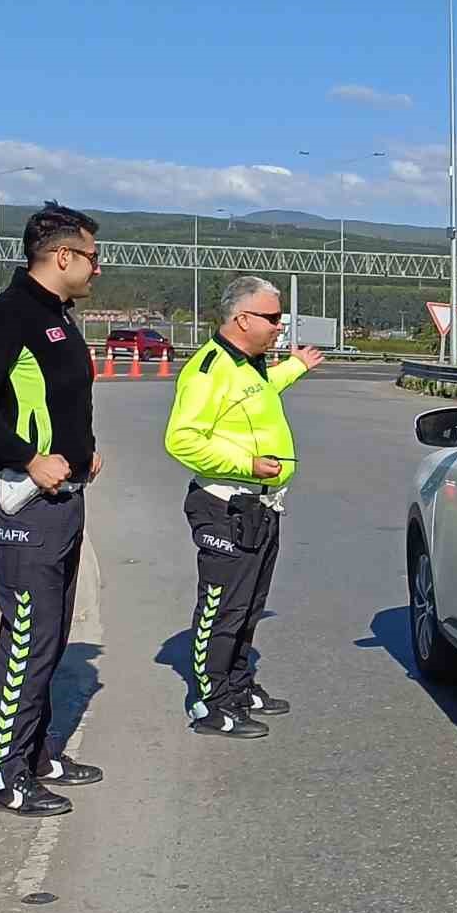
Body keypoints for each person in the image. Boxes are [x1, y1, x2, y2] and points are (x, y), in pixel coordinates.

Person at [0, 201, 106, 817]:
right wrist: (30, 457)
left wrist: (84, 450)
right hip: (20, 500)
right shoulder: (7, 316)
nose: (98, 269)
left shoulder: (55, 317)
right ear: (62, 256)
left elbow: (53, 398)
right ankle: (3, 775)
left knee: (52, 632)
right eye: (92, 257)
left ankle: (33, 753)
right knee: (29, 636)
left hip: (61, 498)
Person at [163, 276, 323, 737]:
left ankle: (237, 685)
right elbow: (182, 439)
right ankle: (209, 702)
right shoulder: (210, 369)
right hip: (224, 507)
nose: (280, 326)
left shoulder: (249, 365)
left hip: (259, 507)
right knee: (222, 608)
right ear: (242, 319)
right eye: (273, 318)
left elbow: (260, 393)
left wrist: (294, 368)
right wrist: (247, 463)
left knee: (249, 605)